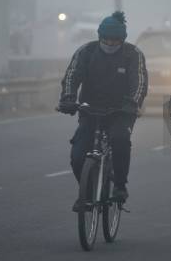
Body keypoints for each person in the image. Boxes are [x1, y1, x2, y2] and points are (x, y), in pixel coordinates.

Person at [57, 11, 148, 211]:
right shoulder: (86, 52)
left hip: (121, 111)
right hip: (90, 110)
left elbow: (139, 81)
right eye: (105, 40)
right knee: (78, 155)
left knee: (119, 140)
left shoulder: (133, 55)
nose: (109, 44)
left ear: (122, 40)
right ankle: (87, 194)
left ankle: (120, 186)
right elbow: (72, 75)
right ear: (99, 37)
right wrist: (68, 99)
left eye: (114, 41)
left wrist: (133, 103)